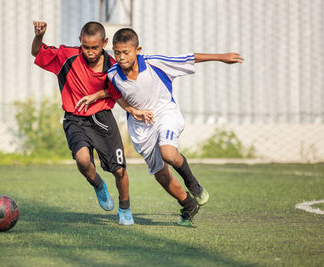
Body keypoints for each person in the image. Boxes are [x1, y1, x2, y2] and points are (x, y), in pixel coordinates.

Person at [76, 28, 243, 225]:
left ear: (137, 49)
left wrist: (221, 57)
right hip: (141, 129)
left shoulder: (155, 63)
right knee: (161, 175)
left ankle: (193, 184)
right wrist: (98, 97)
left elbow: (189, 58)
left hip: (165, 114)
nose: (121, 57)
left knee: (169, 153)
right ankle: (188, 204)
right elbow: (112, 93)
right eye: (117, 52)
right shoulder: (113, 74)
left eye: (126, 52)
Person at [31, 21, 152, 225]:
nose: (90, 52)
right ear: (80, 42)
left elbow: (118, 92)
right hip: (75, 119)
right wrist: (39, 36)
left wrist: (126, 107)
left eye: (95, 47)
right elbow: (37, 52)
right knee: (82, 159)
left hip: (103, 119)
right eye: (86, 47)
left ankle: (125, 209)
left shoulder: (114, 66)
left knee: (119, 170)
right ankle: (97, 184)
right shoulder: (66, 56)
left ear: (104, 42)